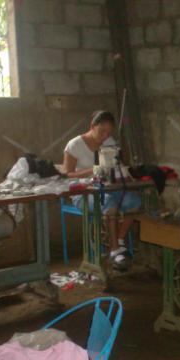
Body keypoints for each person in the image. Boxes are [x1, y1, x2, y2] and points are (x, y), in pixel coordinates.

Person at [62, 111, 141, 269]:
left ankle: (119, 240)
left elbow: (116, 166)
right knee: (110, 205)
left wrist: (124, 174)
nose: (105, 136)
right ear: (92, 126)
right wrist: (92, 170)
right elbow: (66, 175)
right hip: (83, 192)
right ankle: (115, 250)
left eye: (109, 133)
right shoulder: (74, 145)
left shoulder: (109, 142)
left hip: (107, 187)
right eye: (102, 131)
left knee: (134, 202)